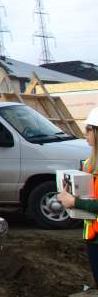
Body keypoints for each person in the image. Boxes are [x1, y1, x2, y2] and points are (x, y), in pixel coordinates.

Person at [54, 107, 98, 285]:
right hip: (93, 238)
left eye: (88, 129)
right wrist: (70, 194)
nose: (85, 133)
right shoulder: (89, 163)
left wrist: (74, 201)